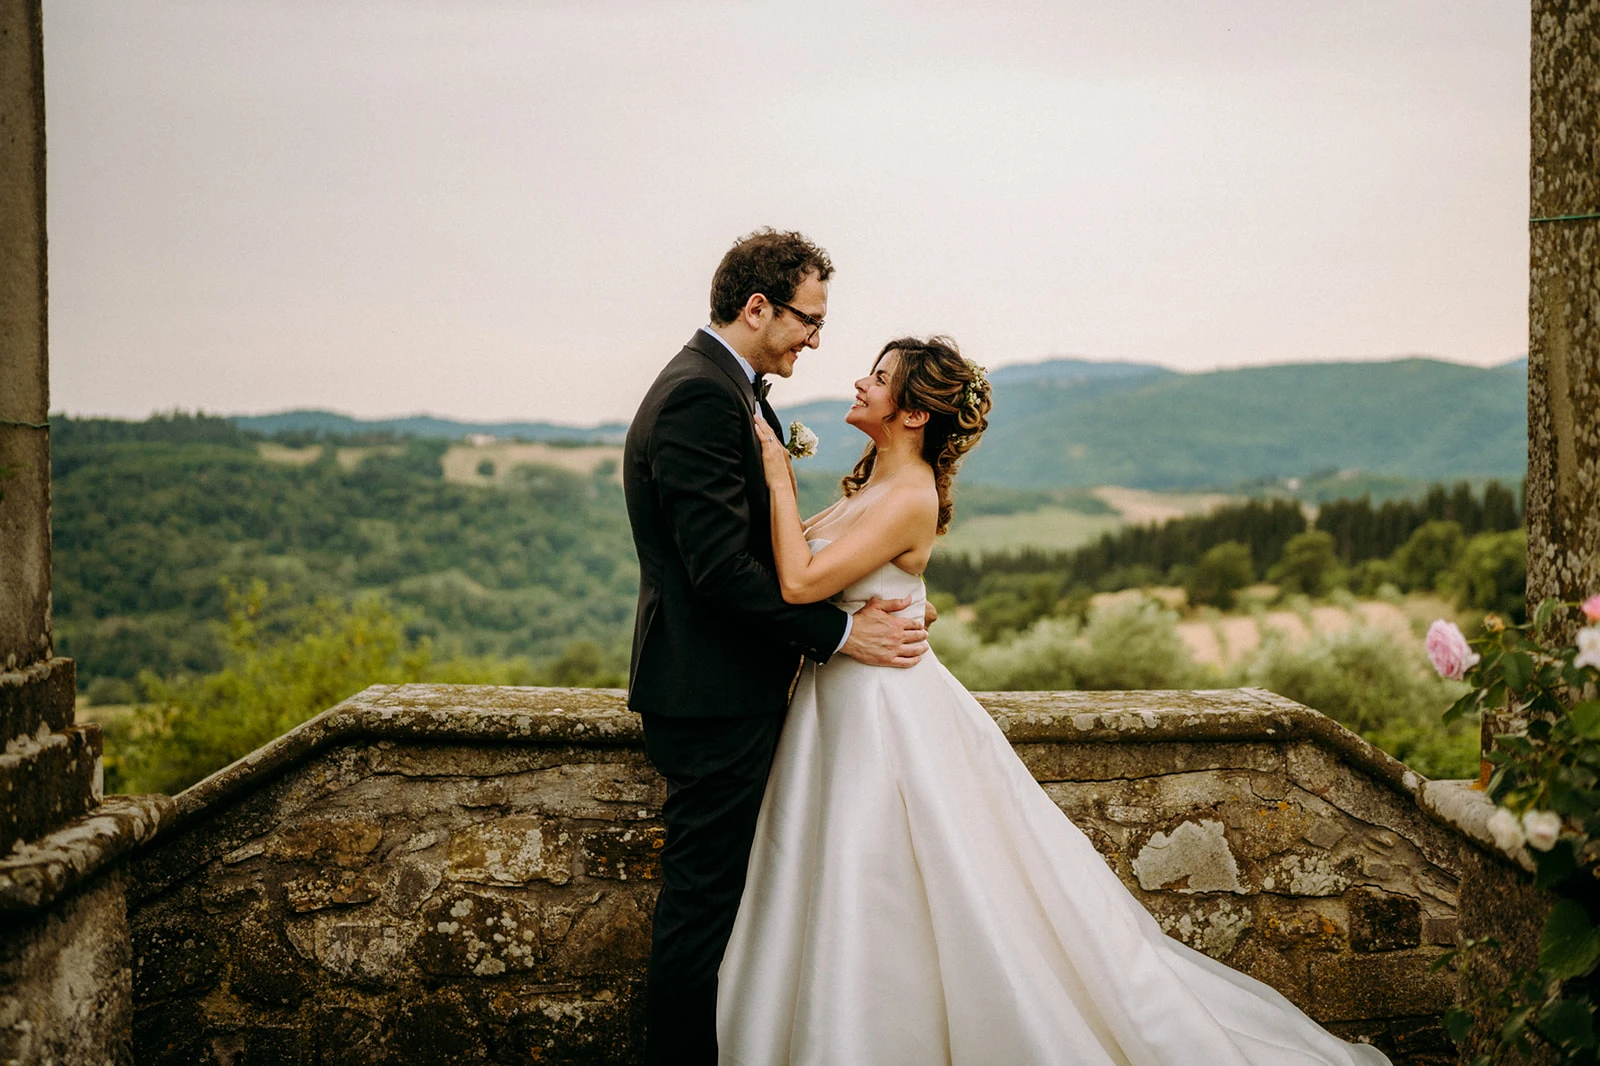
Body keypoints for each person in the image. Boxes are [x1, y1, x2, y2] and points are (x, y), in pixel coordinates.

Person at [718, 336, 1394, 1066]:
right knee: (854, 879)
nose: (859, 382)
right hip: (844, 705)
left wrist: (779, 480)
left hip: (885, 716)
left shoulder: (909, 494)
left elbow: (798, 584)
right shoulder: (877, 488)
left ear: (913, 414)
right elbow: (846, 575)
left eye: (877, 379)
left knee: (893, 873)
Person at [621, 229, 932, 1066]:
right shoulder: (699, 396)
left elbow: (776, 549)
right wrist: (841, 632)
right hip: (711, 698)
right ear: (757, 307)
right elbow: (721, 570)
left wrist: (883, 600)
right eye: (808, 318)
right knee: (700, 914)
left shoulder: (731, 388)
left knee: (726, 907)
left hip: (732, 693)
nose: (818, 340)